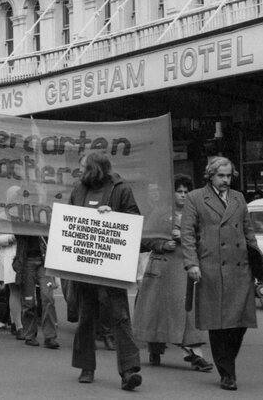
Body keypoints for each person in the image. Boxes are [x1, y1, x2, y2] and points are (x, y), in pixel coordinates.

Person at [180, 156, 258, 392]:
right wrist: (191, 263)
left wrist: (257, 264)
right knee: (218, 323)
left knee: (240, 322)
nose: (226, 180)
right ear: (210, 175)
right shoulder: (195, 197)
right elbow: (187, 233)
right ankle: (227, 372)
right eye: (221, 176)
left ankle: (228, 361)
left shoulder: (239, 197)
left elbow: (248, 230)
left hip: (240, 267)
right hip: (211, 267)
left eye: (228, 176)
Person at [69, 151, 143, 391]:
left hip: (112, 265)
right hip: (85, 264)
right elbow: (71, 218)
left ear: (95, 169)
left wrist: (113, 215)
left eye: (82, 167)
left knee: (120, 316)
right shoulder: (78, 190)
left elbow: (134, 218)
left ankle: (129, 371)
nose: (79, 171)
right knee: (86, 316)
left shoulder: (121, 189)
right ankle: (86, 367)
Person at [133, 174, 213, 371]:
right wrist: (162, 244)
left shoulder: (196, 213)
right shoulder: (160, 213)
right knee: (157, 310)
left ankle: (194, 353)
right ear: (173, 193)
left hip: (186, 268)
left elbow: (206, 239)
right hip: (162, 267)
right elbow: (146, 238)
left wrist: (186, 236)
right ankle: (155, 347)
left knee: (187, 311)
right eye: (179, 191)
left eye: (187, 191)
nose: (183, 195)